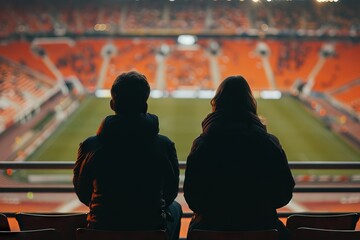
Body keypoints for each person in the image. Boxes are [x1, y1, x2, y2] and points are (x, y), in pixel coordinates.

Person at [73, 71, 182, 240]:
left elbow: (82, 192)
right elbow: (171, 192)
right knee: (175, 208)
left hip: (102, 227)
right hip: (150, 228)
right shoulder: (164, 145)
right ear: (145, 106)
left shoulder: (90, 146)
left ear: (112, 105)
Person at [183, 75, 295, 240]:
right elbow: (284, 192)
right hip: (262, 227)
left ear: (217, 102)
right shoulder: (268, 142)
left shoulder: (203, 143)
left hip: (211, 229)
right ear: (250, 102)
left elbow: (193, 196)